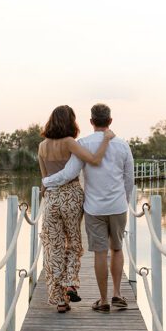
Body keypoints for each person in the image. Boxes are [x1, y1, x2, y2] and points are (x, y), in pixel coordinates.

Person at [42, 103, 134, 313]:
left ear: (91, 122)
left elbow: (68, 173)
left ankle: (103, 300)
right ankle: (117, 294)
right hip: (118, 206)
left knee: (100, 253)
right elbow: (129, 179)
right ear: (110, 121)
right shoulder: (123, 145)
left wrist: (46, 182)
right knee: (117, 249)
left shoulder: (83, 143)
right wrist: (124, 201)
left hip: (94, 208)